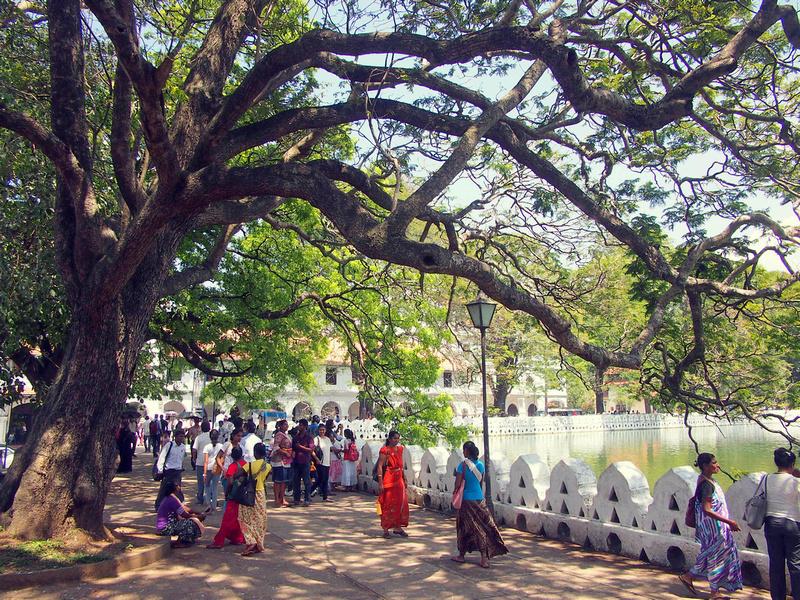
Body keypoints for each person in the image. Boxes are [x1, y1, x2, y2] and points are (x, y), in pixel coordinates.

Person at [679, 453, 742, 599]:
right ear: (705, 466)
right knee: (716, 558)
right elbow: (707, 509)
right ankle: (714, 592)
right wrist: (729, 522)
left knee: (710, 555)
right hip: (714, 529)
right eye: (714, 462)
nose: (717, 465)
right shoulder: (707, 484)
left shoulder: (707, 480)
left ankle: (689, 576)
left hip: (712, 528)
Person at [451, 441, 508, 568]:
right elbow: (480, 482)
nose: (463, 452)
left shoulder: (462, 466)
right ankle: (484, 558)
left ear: (466, 450)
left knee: (464, 528)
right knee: (483, 527)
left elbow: (457, 485)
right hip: (479, 499)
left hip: (466, 501)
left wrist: (455, 491)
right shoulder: (481, 465)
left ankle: (461, 555)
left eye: (464, 450)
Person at [765, 447, 800, 599]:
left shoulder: (766, 479)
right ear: (792, 464)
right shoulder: (795, 481)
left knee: (776, 564)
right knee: (795, 564)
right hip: (792, 524)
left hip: (771, 524)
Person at [206, 446, 247, 549]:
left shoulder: (232, 466)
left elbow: (230, 482)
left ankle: (218, 541)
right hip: (243, 496)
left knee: (227, 520)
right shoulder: (246, 464)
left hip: (233, 496)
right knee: (239, 518)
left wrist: (227, 493)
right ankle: (237, 538)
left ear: (232, 456)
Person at [237, 442, 271, 556]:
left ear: (255, 453)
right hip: (261, 494)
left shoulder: (249, 465)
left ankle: (250, 541)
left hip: (249, 493)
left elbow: (237, 474)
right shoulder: (268, 466)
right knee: (260, 519)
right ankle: (259, 542)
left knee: (244, 517)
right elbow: (265, 478)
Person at [376, 430, 409, 538]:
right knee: (387, 503)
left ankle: (397, 527)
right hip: (389, 479)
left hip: (398, 479)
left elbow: (401, 465)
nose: (396, 440)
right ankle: (385, 529)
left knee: (400, 503)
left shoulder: (400, 449)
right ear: (389, 439)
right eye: (394, 438)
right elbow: (380, 466)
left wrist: (404, 478)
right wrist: (380, 483)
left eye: (398, 438)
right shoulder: (385, 450)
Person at [155, 481, 205, 548]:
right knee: (190, 522)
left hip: (167, 525)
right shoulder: (171, 499)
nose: (179, 487)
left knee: (191, 521)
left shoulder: (171, 497)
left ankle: (183, 540)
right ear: (173, 489)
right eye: (177, 486)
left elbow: (183, 508)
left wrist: (197, 513)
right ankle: (182, 542)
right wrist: (197, 516)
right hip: (165, 528)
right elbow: (184, 514)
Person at [154, 429, 187, 511]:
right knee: (164, 488)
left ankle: (178, 506)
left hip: (177, 471)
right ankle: (158, 506)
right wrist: (160, 470)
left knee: (177, 489)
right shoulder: (169, 445)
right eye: (180, 436)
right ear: (175, 437)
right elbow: (162, 457)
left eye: (183, 436)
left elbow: (182, 458)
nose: (181, 438)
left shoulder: (183, 447)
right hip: (168, 470)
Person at [291, 418, 315, 506]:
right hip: (296, 462)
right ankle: (296, 499)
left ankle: (307, 499)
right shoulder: (295, 437)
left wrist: (300, 447)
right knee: (296, 481)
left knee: (306, 481)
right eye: (299, 425)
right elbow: (293, 449)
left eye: (301, 425)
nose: (299, 427)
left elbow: (311, 449)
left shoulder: (309, 437)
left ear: (305, 426)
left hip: (305, 461)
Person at [270, 419, 292, 508]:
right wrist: (285, 452)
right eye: (285, 425)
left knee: (284, 481)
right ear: (280, 426)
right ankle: (276, 499)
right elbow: (276, 447)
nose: (286, 426)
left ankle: (282, 498)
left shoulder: (286, 435)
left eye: (287, 425)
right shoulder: (279, 435)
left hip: (286, 460)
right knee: (278, 481)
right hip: (279, 460)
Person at [202, 429, 225, 512]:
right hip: (217, 469)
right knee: (215, 487)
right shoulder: (221, 446)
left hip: (208, 469)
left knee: (207, 486)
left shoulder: (207, 447)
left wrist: (204, 473)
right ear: (218, 436)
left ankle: (208, 504)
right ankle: (214, 505)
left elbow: (205, 461)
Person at [310, 424, 332, 502]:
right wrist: (316, 459)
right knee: (320, 479)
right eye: (320, 430)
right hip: (319, 462)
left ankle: (325, 497)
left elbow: (329, 450)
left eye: (323, 430)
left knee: (325, 480)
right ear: (318, 430)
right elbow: (312, 450)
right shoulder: (316, 439)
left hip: (327, 462)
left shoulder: (327, 439)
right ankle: (309, 492)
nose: (322, 431)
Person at [192, 421, 212, 504]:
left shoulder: (198, 438)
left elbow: (194, 450)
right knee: (210, 481)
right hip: (210, 462)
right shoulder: (212, 437)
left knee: (200, 481)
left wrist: (194, 458)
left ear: (201, 428)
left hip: (200, 462)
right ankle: (210, 497)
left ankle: (200, 498)